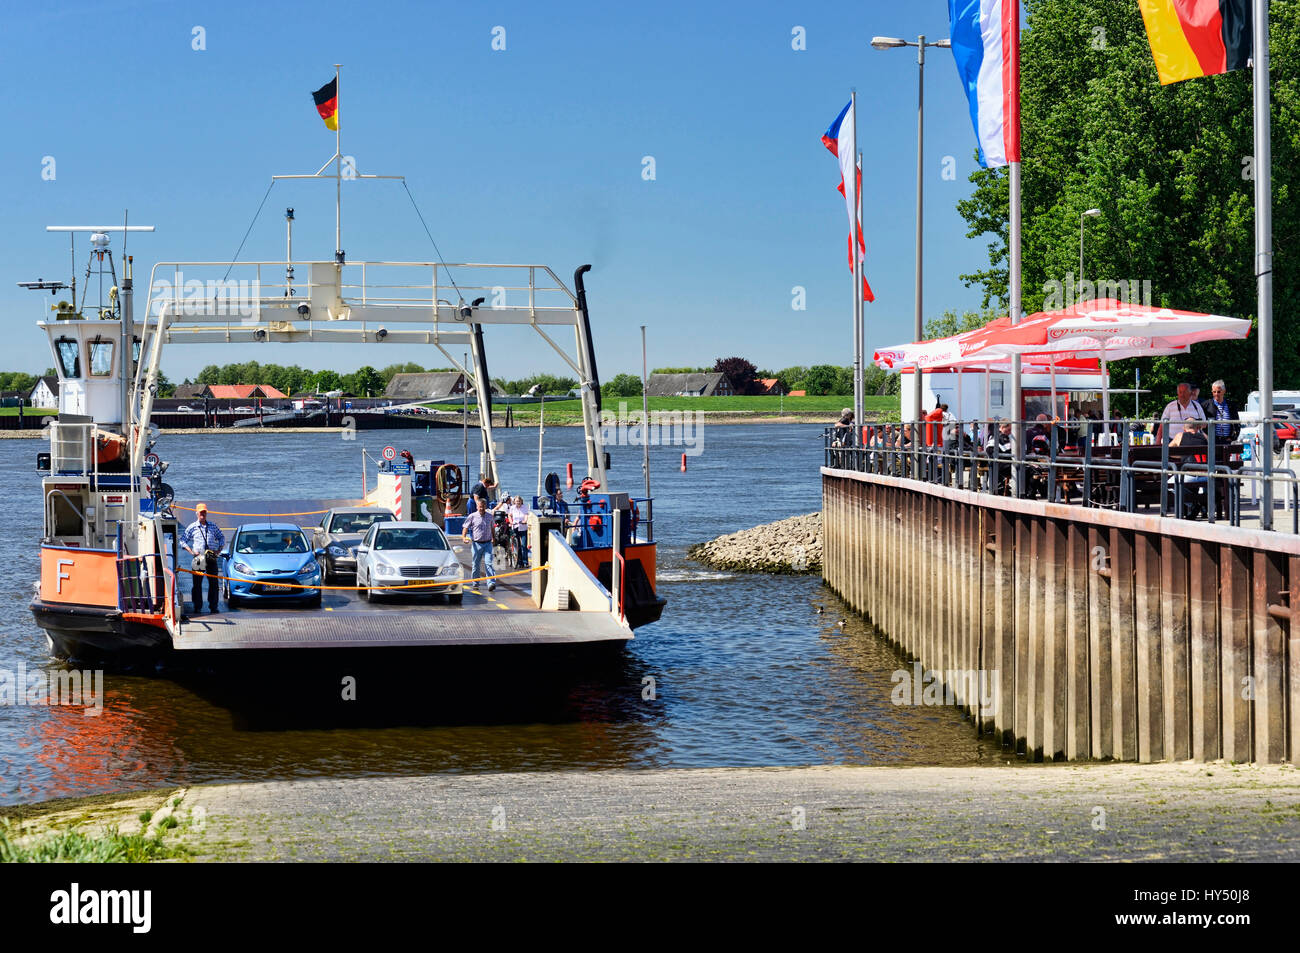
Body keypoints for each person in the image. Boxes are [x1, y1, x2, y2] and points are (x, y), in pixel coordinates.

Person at [181, 503, 225, 614]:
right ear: (197, 513)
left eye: (204, 512)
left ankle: (213, 606)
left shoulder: (213, 526)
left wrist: (218, 550)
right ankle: (197, 606)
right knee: (197, 584)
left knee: (214, 583)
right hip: (198, 556)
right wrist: (191, 552)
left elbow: (221, 538)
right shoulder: (192, 527)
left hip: (211, 555)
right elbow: (182, 540)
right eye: (201, 512)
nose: (203, 514)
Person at [460, 496, 496, 592]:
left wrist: (494, 538)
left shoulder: (490, 516)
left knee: (489, 563)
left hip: (488, 543)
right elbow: (465, 527)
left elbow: (492, 528)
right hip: (476, 544)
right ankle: (475, 583)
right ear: (477, 506)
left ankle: (491, 583)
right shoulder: (472, 516)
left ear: (485, 506)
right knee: (476, 564)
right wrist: (464, 537)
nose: (481, 508)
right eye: (480, 506)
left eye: (483, 506)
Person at [1202, 379, 1239, 444]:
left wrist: (1232, 437)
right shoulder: (1205, 405)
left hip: (1227, 440)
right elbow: (1202, 424)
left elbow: (1237, 422)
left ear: (1224, 391)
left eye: (1218, 392)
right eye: (1214, 392)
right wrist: (1206, 437)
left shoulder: (1231, 405)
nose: (1216, 394)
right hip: (1212, 440)